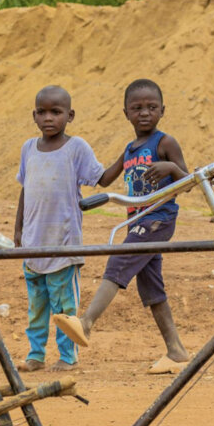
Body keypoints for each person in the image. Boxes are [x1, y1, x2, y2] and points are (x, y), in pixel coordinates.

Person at [53, 79, 189, 374]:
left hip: (157, 219)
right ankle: (176, 351)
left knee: (119, 259)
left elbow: (188, 181)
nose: (144, 113)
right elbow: (105, 179)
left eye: (151, 107)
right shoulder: (129, 149)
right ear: (126, 113)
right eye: (137, 108)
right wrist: (71, 157)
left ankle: (86, 322)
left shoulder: (165, 143)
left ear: (163, 110)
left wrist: (170, 168)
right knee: (151, 286)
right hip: (137, 221)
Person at [14, 85, 108, 373]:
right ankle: (35, 355)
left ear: (70, 115)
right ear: (34, 115)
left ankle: (68, 356)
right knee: (37, 307)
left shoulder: (76, 147)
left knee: (64, 308)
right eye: (41, 112)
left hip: (64, 246)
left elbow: (102, 179)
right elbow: (25, 188)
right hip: (33, 244)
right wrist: (18, 229)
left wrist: (128, 156)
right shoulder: (28, 148)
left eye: (56, 112)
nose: (48, 118)